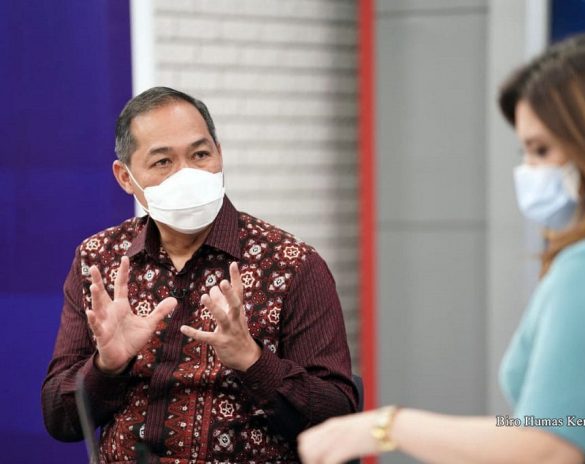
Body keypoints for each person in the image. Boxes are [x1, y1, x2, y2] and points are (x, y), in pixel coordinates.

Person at [298, 33, 585, 464]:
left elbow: (546, 447)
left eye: (541, 150)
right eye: (525, 150)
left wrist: (387, 427)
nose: (528, 171)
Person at [41, 87, 358, 463]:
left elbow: (339, 418)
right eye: (163, 161)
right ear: (125, 177)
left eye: (200, 155)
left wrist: (253, 360)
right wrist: (106, 367)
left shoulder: (292, 264)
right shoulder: (99, 260)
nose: (187, 174)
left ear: (219, 154)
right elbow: (60, 421)